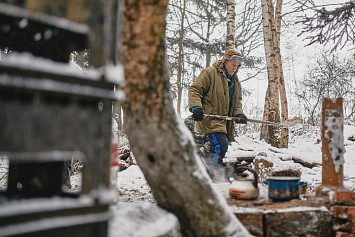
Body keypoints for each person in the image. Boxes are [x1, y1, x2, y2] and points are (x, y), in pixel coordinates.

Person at [188, 49, 248, 180]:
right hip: (210, 118)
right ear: (225, 62)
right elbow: (195, 90)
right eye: (233, 64)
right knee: (220, 145)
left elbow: (236, 101)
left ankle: (209, 171)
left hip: (224, 121)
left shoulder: (235, 81)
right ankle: (212, 173)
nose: (235, 68)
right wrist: (196, 107)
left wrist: (239, 114)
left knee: (218, 147)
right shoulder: (210, 72)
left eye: (237, 66)